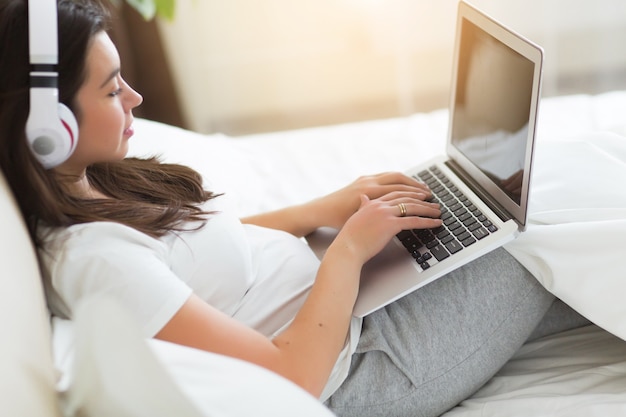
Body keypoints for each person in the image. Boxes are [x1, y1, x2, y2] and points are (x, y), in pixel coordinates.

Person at [0, 1, 589, 415]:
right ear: (48, 129)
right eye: (110, 90)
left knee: (522, 208)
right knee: (538, 227)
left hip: (347, 309)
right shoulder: (93, 261)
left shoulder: (93, 183)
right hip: (360, 371)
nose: (135, 97)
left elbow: (196, 252)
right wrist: (351, 250)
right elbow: (290, 380)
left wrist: (323, 210)